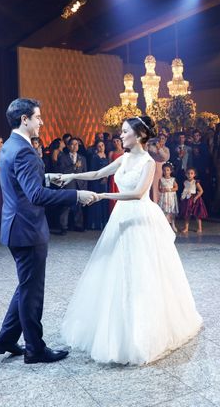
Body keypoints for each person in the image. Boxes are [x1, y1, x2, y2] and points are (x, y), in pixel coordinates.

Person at [58, 115, 202, 365]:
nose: (120, 136)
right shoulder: (124, 158)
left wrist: (102, 196)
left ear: (139, 136)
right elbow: (98, 173)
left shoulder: (148, 162)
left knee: (141, 273)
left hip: (139, 218)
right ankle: (115, 326)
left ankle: (141, 332)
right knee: (115, 270)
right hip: (120, 217)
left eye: (125, 132)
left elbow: (137, 194)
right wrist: (70, 178)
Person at [0, 98, 97, 364]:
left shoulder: (10, 145)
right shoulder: (25, 150)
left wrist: (48, 177)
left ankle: (5, 339)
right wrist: (76, 195)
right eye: (38, 117)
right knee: (32, 290)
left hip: (15, 225)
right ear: (24, 119)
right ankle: (35, 349)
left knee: (26, 286)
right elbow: (36, 195)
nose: (41, 122)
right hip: (27, 229)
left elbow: (21, 182)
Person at [56, 138, 87, 233]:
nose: (74, 146)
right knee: (66, 206)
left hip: (79, 184)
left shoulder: (82, 158)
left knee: (79, 206)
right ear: (68, 146)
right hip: (68, 184)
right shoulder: (63, 157)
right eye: (72, 144)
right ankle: (63, 227)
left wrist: (84, 186)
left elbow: (85, 172)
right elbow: (61, 171)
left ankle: (78, 225)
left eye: (76, 144)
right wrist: (73, 166)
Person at [85, 140, 109, 230]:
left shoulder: (106, 156)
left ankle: (104, 222)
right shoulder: (94, 157)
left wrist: (106, 177)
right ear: (96, 147)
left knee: (104, 202)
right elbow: (93, 170)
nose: (101, 147)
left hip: (105, 181)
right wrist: (101, 178)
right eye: (99, 146)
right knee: (97, 202)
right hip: (97, 182)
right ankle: (96, 224)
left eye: (102, 145)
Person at [180, 167, 208, 233]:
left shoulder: (196, 182)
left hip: (194, 199)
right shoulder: (185, 182)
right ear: (186, 174)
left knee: (197, 214)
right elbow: (185, 190)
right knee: (187, 214)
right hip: (187, 199)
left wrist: (196, 197)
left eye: (191, 173)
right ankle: (186, 228)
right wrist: (182, 196)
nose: (190, 175)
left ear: (194, 175)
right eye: (188, 173)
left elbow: (201, 191)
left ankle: (199, 228)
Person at [147, 133, 170, 203]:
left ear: (165, 140)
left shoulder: (166, 149)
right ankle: (154, 204)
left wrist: (160, 148)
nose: (161, 140)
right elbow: (146, 149)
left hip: (162, 170)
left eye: (163, 139)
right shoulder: (152, 147)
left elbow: (165, 158)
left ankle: (162, 205)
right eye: (159, 138)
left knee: (162, 186)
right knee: (154, 188)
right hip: (153, 169)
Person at [158, 162, 179, 232]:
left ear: (171, 171)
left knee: (171, 211)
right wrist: (162, 190)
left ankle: (173, 224)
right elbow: (159, 189)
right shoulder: (161, 179)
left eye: (167, 170)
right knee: (164, 211)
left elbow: (176, 188)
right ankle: (165, 225)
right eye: (164, 170)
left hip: (170, 197)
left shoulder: (173, 179)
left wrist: (170, 189)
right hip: (164, 197)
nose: (166, 172)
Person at [107, 136, 125, 213]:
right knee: (114, 195)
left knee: (123, 194)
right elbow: (109, 167)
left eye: (117, 141)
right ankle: (115, 214)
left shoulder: (126, 152)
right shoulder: (111, 153)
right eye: (114, 142)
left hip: (124, 176)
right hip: (114, 176)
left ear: (121, 141)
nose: (116, 143)